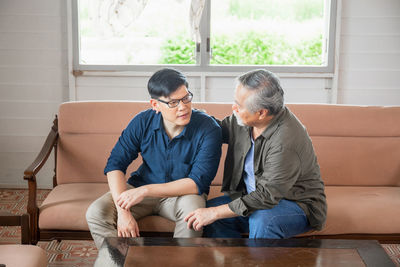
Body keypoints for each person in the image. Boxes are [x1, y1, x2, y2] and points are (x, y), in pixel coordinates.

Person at [86, 68, 222, 248]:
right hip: (140, 189)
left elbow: (196, 183)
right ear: (155, 105)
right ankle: (120, 261)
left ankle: (183, 262)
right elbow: (115, 165)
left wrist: (145, 191)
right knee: (96, 212)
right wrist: (123, 212)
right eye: (173, 102)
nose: (183, 107)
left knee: (193, 213)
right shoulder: (142, 121)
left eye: (186, 98)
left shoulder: (208, 128)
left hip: (182, 195)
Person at [185, 69, 327, 239]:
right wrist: (184, 111)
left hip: (294, 204)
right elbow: (216, 130)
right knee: (207, 215)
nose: (233, 108)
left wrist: (215, 212)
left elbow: (267, 196)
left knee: (263, 219)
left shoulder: (285, 141)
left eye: (239, 105)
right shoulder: (245, 120)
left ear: (261, 113)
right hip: (251, 197)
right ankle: (234, 259)